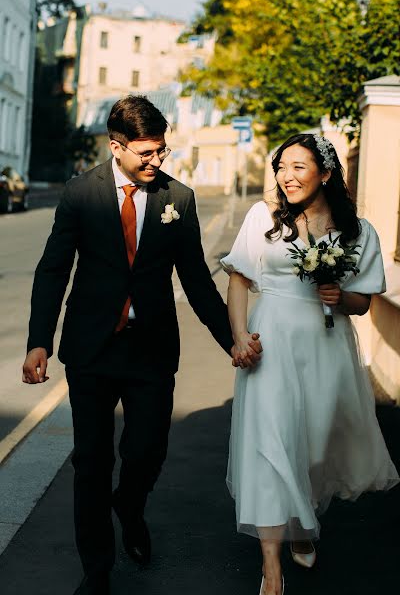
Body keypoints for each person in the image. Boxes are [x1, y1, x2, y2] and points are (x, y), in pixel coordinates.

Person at [22, 95, 262, 595]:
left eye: (162, 151)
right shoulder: (80, 193)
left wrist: (232, 341)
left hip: (151, 349)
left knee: (147, 450)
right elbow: (53, 270)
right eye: (147, 153)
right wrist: (38, 342)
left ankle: (129, 507)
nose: (157, 161)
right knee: (92, 461)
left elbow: (196, 278)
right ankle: (97, 569)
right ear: (117, 146)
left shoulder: (180, 198)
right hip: (92, 349)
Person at [220, 133, 399, 595]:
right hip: (270, 342)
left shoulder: (357, 231)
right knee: (269, 443)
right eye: (282, 166)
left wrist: (342, 297)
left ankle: (301, 521)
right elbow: (238, 281)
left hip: (326, 345)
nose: (287, 176)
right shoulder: (264, 217)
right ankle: (272, 571)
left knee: (313, 447)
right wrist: (240, 337)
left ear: (326, 173)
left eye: (299, 167)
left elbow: (363, 302)